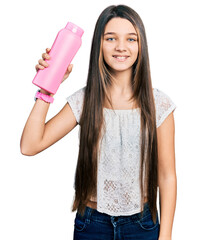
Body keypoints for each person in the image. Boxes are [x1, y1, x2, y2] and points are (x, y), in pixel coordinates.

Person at [20, 4, 177, 240]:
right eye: (110, 38)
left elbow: (167, 176)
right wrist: (48, 87)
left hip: (142, 227)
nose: (121, 47)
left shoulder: (158, 104)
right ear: (98, 46)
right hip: (92, 225)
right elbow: (30, 145)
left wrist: (165, 237)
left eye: (131, 39)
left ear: (141, 45)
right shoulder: (86, 100)